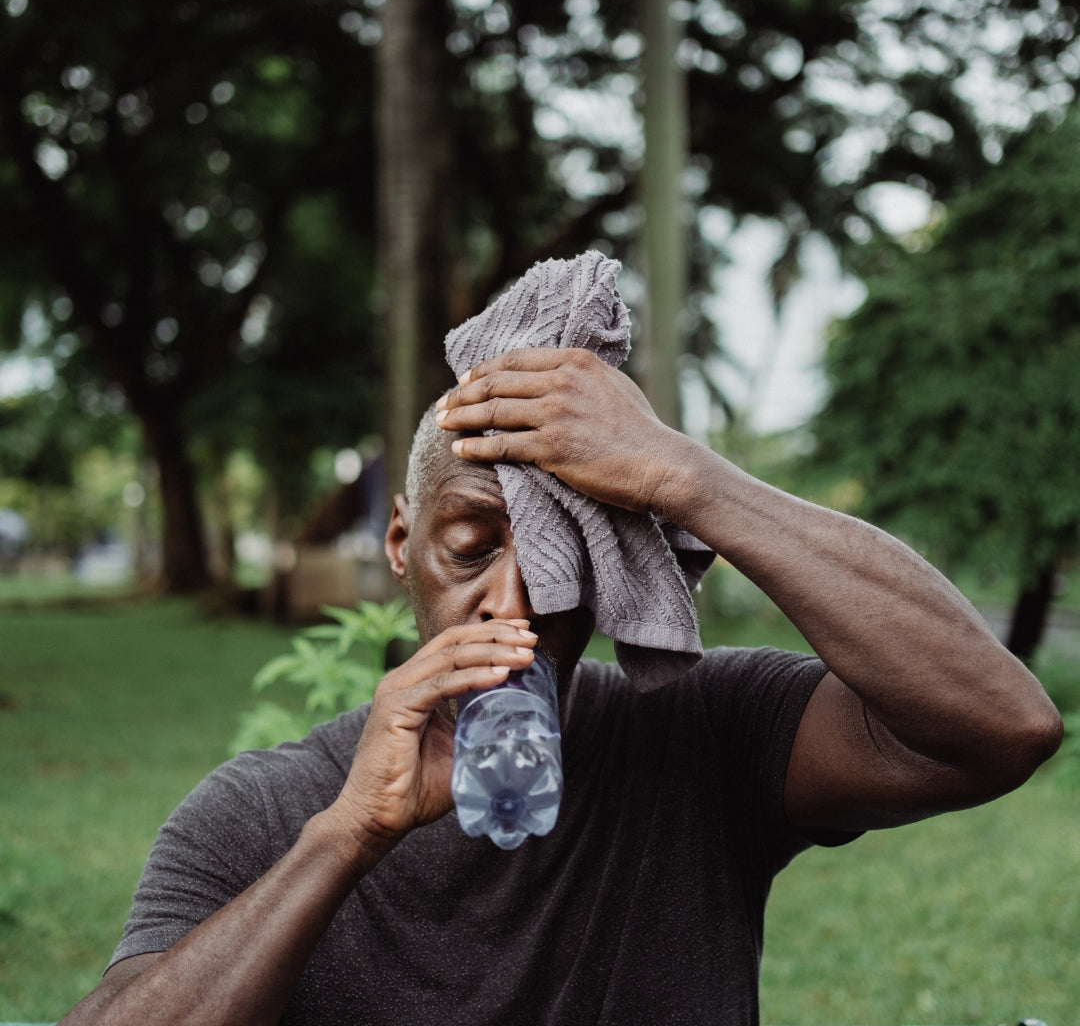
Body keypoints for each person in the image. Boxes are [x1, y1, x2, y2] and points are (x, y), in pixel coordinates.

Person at [61, 348, 1062, 1026]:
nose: (512, 602)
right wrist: (343, 839)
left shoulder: (700, 734)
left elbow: (1001, 726)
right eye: (470, 547)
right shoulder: (262, 813)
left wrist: (690, 480)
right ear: (404, 545)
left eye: (559, 557)